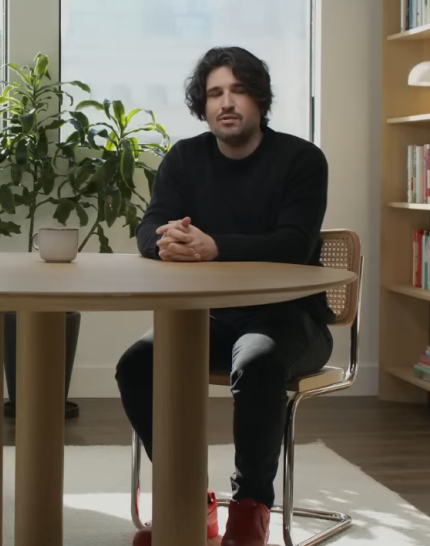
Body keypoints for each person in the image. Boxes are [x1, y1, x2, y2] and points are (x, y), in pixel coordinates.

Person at [116, 46, 334, 546]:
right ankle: (188, 499)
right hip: (208, 319)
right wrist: (165, 241)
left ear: (259, 98)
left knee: (257, 363)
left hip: (290, 319)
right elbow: (150, 227)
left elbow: (294, 244)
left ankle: (250, 509)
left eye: (238, 90)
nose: (226, 102)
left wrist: (214, 247)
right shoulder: (185, 158)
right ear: (203, 104)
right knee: (137, 365)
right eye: (215, 93)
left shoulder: (301, 160)